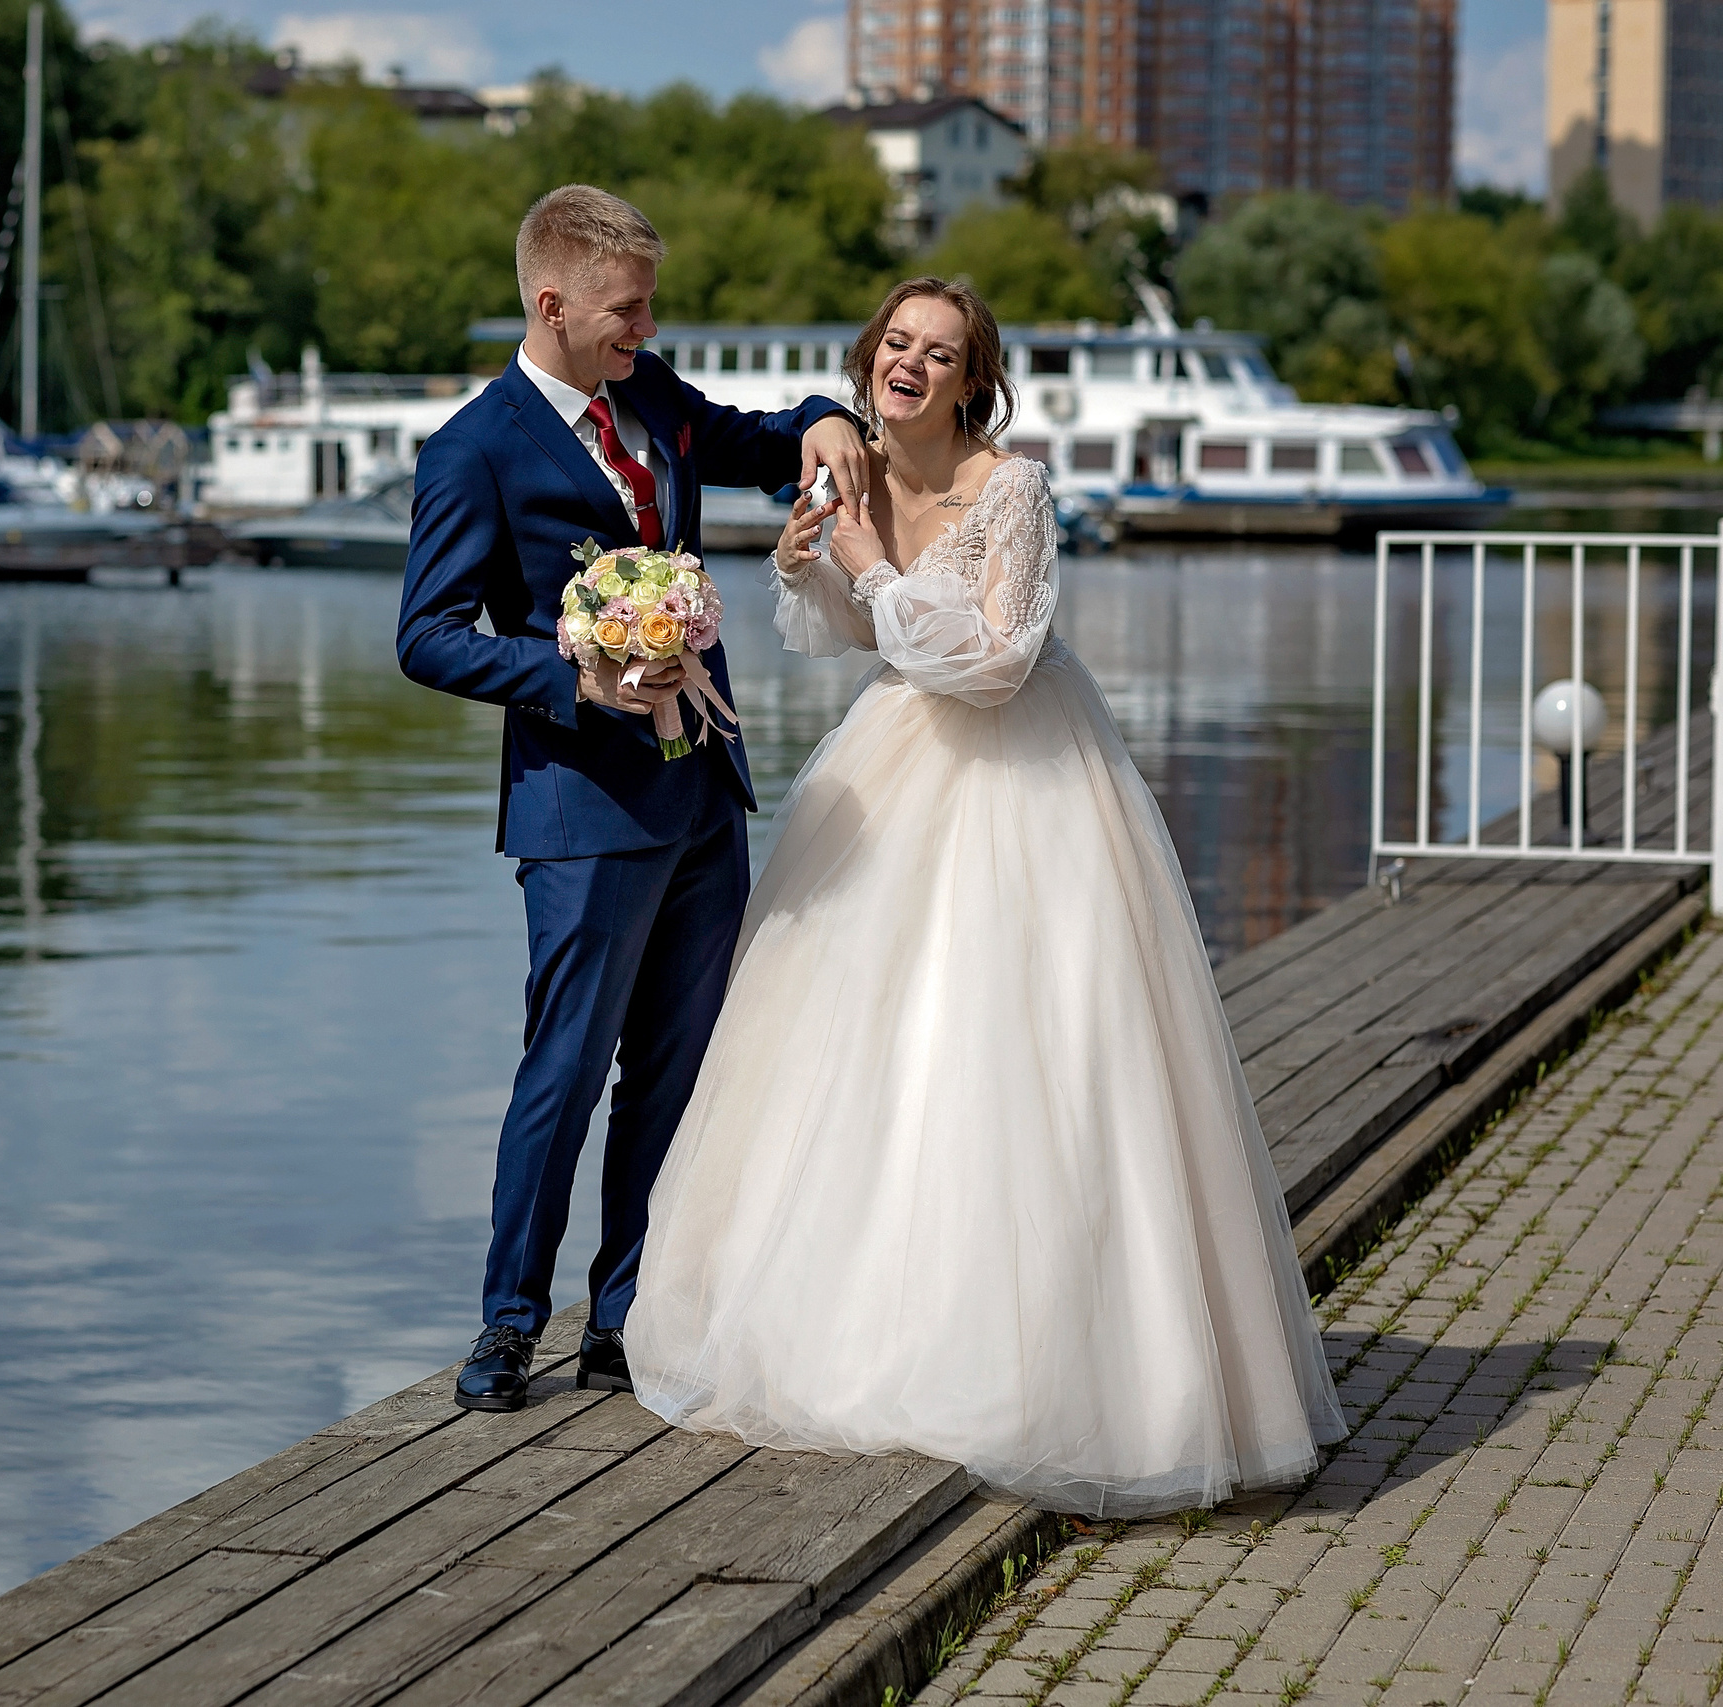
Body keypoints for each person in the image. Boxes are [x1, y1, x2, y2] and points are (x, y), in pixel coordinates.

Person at [627, 277, 1347, 1516]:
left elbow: (999, 660)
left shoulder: (1011, 490)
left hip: (1024, 771)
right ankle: (855, 1329)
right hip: (893, 759)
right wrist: (812, 568)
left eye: (941, 352)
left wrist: (867, 566)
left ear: (973, 381)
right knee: (858, 1048)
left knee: (1013, 1044)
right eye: (897, 343)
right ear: (871, 357)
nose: (911, 363)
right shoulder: (848, 474)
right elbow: (859, 639)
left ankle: (1063, 1367)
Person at [397, 186, 870, 1411]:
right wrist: (574, 674)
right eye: (626, 309)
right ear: (552, 303)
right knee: (562, 1072)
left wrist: (823, 420)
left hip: (702, 792)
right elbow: (428, 637)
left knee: (675, 1070)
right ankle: (510, 1324)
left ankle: (625, 1316)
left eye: (649, 306)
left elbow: (756, 443)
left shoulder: (648, 395)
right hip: (581, 810)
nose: (646, 329)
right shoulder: (473, 449)